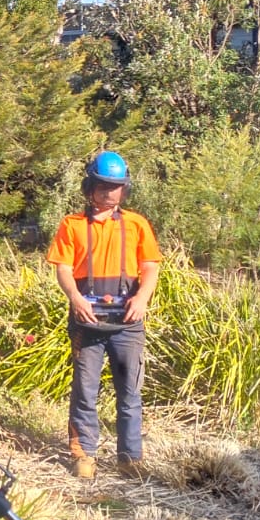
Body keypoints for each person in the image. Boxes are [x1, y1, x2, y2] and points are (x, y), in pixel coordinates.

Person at [46, 151, 161, 481]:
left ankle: (131, 458)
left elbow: (150, 266)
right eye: (104, 186)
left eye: (116, 187)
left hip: (128, 321)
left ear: (124, 189)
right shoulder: (72, 225)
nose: (110, 193)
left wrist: (141, 298)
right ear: (90, 187)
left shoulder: (137, 224)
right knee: (85, 389)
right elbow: (64, 268)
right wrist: (75, 297)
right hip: (88, 321)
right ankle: (84, 455)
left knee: (130, 391)